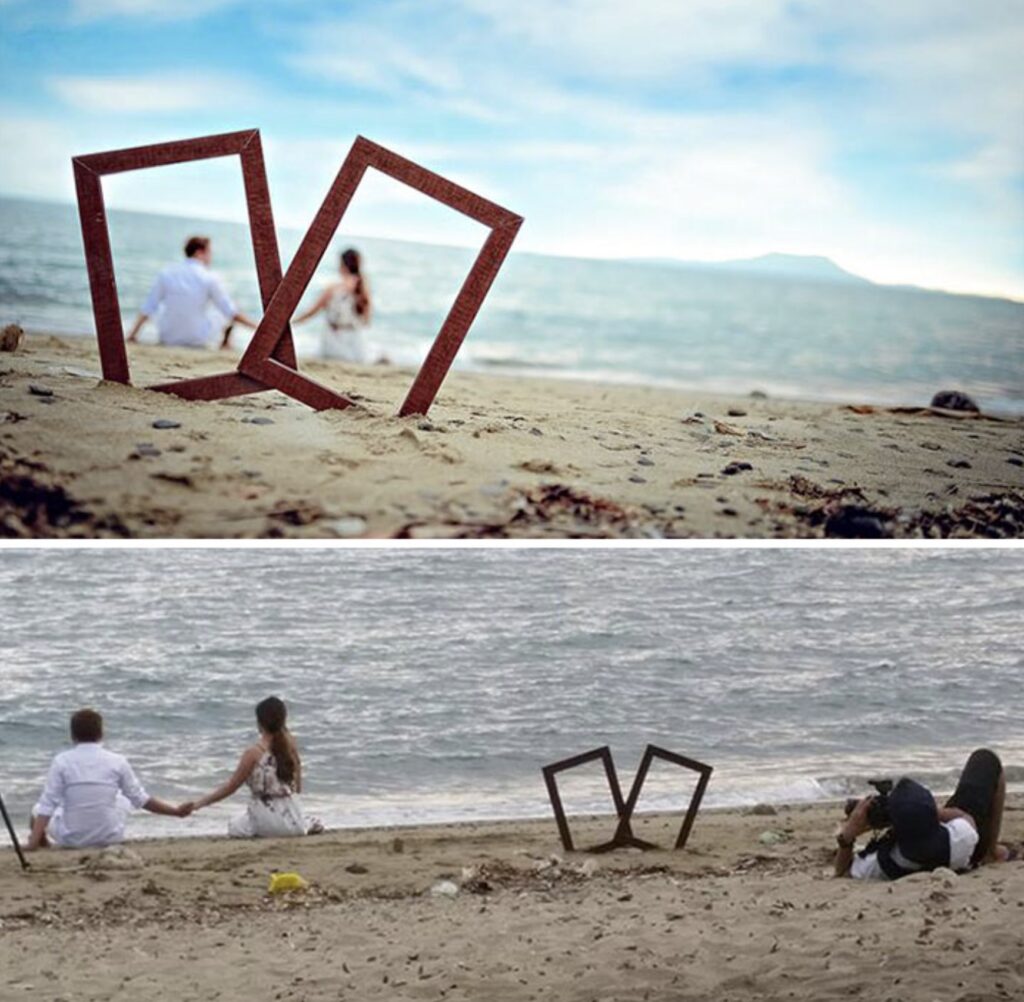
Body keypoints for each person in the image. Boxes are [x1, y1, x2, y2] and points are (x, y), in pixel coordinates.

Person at [835, 748, 1017, 880]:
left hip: (934, 844)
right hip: (969, 853)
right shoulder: (962, 837)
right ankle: (991, 852)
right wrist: (926, 810)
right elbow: (962, 815)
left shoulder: (887, 863)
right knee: (986, 759)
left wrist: (849, 835)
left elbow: (842, 872)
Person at [26, 708, 190, 851]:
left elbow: (48, 804)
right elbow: (141, 799)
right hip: (111, 837)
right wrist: (176, 812)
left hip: (72, 839)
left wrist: (31, 844)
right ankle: (101, 826)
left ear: (73, 735)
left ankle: (40, 842)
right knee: (124, 797)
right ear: (101, 733)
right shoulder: (117, 760)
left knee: (38, 808)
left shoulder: (62, 761)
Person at [185, 697, 321, 838]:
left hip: (265, 821)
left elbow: (231, 787)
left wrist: (198, 804)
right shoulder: (291, 747)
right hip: (294, 821)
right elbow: (297, 784)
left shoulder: (253, 753)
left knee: (234, 824)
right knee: (310, 821)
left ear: (259, 722)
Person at [126, 236, 258, 350]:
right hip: (197, 339)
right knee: (228, 307)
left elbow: (148, 307)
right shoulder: (209, 277)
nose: (210, 257)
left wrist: (132, 335)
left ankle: (153, 332)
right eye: (209, 253)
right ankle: (225, 344)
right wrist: (258, 328)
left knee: (161, 304)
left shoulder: (166, 273)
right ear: (200, 253)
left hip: (168, 337)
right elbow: (231, 312)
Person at [292, 247, 373, 363]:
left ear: (343, 265)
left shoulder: (334, 289)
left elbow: (312, 312)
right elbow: (366, 320)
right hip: (357, 343)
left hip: (334, 341)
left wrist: (292, 323)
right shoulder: (364, 288)